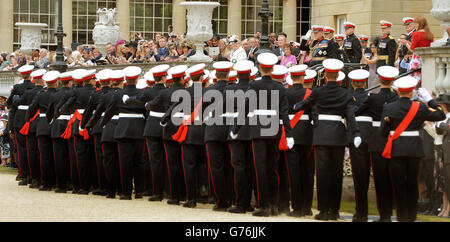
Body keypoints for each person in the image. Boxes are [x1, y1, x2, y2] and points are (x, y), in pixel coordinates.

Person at [293, 58, 361, 221]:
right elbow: (350, 115)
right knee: (336, 174)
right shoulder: (346, 93)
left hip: (321, 134)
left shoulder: (318, 91)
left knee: (322, 174)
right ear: (338, 75)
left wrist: (296, 106)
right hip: (338, 135)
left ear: (325, 75)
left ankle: (323, 210)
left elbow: (305, 104)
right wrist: (356, 132)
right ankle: (334, 210)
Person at [230, 52, 294, 217]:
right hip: (273, 127)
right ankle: (273, 204)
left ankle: (264, 205)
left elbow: (246, 109)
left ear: (259, 68)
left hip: (258, 127)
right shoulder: (280, 87)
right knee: (272, 168)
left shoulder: (255, 86)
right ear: (272, 69)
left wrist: (236, 129)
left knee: (261, 168)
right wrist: (289, 133)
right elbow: (284, 112)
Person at [380, 77, 446, 222]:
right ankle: (411, 217)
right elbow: (440, 114)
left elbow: (383, 132)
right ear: (411, 92)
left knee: (398, 185)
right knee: (412, 183)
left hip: (396, 150)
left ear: (398, 91)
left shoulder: (389, 108)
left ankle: (401, 217)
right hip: (414, 150)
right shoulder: (420, 107)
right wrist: (430, 100)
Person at [355, 65, 398, 222]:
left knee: (379, 179)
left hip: (377, 140)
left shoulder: (372, 98)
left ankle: (383, 215)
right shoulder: (397, 98)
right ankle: (388, 213)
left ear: (379, 80)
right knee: (390, 178)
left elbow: (356, 111)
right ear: (393, 81)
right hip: (393, 140)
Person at [123, 65, 170, 201]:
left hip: (152, 126)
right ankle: (170, 190)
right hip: (168, 126)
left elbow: (137, 100)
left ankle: (157, 192)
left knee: (155, 161)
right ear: (163, 78)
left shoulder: (148, 92)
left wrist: (126, 100)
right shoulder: (168, 91)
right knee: (170, 160)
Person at [145, 65, 188, 205]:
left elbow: (151, 105)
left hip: (169, 127)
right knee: (186, 162)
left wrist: (147, 105)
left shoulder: (165, 93)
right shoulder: (187, 92)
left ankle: (173, 195)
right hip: (185, 126)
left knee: (172, 163)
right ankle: (185, 194)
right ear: (182, 78)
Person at [101, 66, 146, 200]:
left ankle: (126, 192)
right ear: (137, 79)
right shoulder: (142, 93)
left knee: (124, 162)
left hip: (122, 129)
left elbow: (110, 111)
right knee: (139, 161)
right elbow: (145, 111)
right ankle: (139, 191)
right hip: (139, 128)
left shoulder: (118, 94)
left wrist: (103, 123)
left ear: (125, 79)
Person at [85, 70, 124, 198]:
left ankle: (106, 186)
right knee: (122, 159)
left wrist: (86, 126)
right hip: (121, 127)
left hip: (102, 127)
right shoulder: (120, 94)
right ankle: (122, 188)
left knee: (105, 159)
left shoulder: (100, 95)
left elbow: (92, 112)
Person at [283, 65, 315, 217]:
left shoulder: (285, 93)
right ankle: (307, 206)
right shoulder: (310, 93)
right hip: (307, 134)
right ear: (302, 78)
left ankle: (296, 207)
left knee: (293, 172)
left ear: (291, 78)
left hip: (290, 133)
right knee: (308, 171)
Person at [204, 61, 235, 211]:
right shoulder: (233, 90)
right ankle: (230, 198)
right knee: (230, 166)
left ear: (215, 76)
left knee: (216, 167)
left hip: (213, 130)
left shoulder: (208, 91)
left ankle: (220, 201)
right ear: (228, 75)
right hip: (229, 129)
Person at [226, 60, 256, 214]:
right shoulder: (255, 89)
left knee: (238, 167)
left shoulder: (230, 90)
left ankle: (240, 203)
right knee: (250, 167)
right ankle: (247, 202)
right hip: (252, 130)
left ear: (237, 74)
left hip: (236, 130)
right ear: (250, 74)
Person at [27, 71, 59, 191]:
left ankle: (47, 183)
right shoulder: (58, 94)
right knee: (58, 155)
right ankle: (59, 181)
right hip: (56, 124)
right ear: (56, 83)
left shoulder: (40, 95)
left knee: (45, 156)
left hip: (43, 125)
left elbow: (31, 110)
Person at [346, 69, 371, 222]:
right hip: (369, 137)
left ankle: (360, 212)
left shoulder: (349, 98)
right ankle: (364, 212)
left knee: (358, 176)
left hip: (354, 137)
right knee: (367, 176)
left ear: (352, 83)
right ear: (365, 82)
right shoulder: (370, 98)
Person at [7, 65, 35, 185]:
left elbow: (9, 104)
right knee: (33, 149)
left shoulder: (17, 88)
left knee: (21, 149)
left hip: (19, 120)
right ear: (31, 74)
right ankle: (34, 175)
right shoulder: (35, 87)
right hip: (33, 120)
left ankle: (24, 174)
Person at [18, 69, 47, 189]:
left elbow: (21, 104)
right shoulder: (45, 92)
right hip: (45, 124)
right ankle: (44, 178)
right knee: (45, 153)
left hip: (32, 124)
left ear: (34, 80)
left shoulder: (29, 92)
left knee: (32, 152)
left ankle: (33, 177)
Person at [407, 16, 434, 84]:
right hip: (428, 58)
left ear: (420, 24)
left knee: (415, 81)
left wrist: (406, 44)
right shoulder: (430, 34)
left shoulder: (417, 34)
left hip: (417, 59)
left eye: (416, 24)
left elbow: (412, 49)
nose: (415, 26)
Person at [436, 102, 450, 217]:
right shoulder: (444, 117)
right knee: (443, 182)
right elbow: (439, 132)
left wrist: (441, 124)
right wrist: (438, 125)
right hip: (443, 150)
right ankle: (445, 207)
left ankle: (448, 209)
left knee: (448, 182)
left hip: (447, 151)